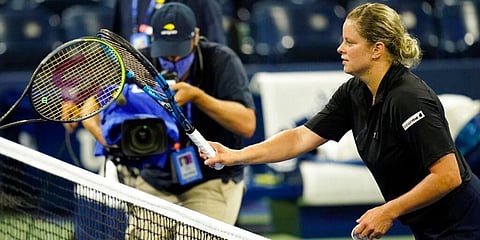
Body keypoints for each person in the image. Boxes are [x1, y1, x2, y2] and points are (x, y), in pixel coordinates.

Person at [203, 3, 480, 240]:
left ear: (377, 49)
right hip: (430, 226)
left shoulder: (409, 98)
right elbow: (301, 137)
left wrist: (388, 210)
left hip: (467, 225)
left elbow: (448, 175)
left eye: (350, 42)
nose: (340, 49)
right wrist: (237, 156)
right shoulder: (354, 92)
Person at [67, 2, 255, 238]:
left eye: (179, 52)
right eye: (165, 52)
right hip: (154, 180)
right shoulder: (137, 63)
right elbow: (91, 103)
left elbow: (247, 125)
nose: (173, 59)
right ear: (152, 40)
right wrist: (106, 139)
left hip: (213, 181)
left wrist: (199, 97)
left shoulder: (221, 60)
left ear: (195, 37)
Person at [112, 0, 226, 49]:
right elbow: (116, 35)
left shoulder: (203, 3)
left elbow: (215, 46)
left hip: (182, 81)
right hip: (132, 76)